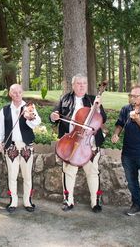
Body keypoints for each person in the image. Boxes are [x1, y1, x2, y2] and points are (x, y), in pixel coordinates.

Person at [50, 74, 107, 213]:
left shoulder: (93, 100)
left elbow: (103, 119)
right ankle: (68, 200)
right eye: (78, 83)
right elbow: (54, 116)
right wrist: (53, 116)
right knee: (68, 172)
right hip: (71, 141)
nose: (81, 86)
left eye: (84, 83)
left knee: (93, 172)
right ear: (73, 85)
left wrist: (98, 109)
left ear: (87, 85)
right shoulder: (65, 99)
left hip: (89, 143)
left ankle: (95, 202)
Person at [0, 84, 41, 213]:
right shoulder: (5, 110)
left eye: (19, 92)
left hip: (26, 146)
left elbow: (37, 122)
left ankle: (27, 201)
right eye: (14, 92)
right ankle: (13, 201)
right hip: (11, 146)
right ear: (10, 94)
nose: (17, 94)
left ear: (22, 93)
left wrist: (30, 118)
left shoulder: (30, 107)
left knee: (27, 175)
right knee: (12, 176)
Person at [111, 84, 140, 224]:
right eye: (131, 95)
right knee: (131, 182)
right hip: (128, 152)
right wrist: (116, 134)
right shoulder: (126, 109)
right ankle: (138, 205)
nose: (133, 98)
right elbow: (119, 124)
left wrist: (137, 119)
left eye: (136, 96)